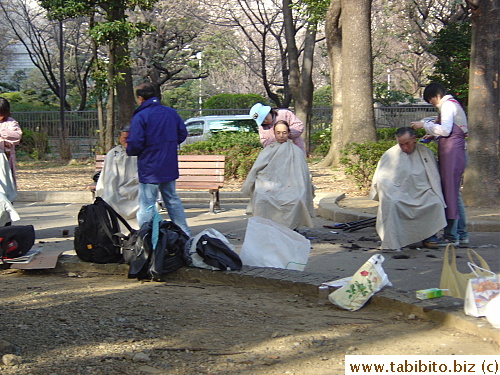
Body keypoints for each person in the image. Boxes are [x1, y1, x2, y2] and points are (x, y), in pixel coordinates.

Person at [126, 82, 191, 237]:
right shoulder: (170, 113)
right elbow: (182, 133)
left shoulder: (141, 116)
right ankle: (184, 233)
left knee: (147, 204)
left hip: (149, 166)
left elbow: (135, 142)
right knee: (172, 199)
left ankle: (146, 236)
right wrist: (168, 146)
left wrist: (132, 151)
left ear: (140, 98)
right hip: (168, 164)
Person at [369, 127, 447, 251]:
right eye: (401, 144)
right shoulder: (390, 154)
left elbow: (433, 176)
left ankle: (430, 236)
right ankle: (396, 239)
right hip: (397, 192)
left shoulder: (425, 153)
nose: (405, 147)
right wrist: (390, 191)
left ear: (414, 139)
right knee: (394, 203)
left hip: (422, 191)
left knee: (435, 202)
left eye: (407, 143)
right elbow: (382, 178)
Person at [411, 83, 468, 247]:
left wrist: (425, 125)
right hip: (454, 152)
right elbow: (446, 131)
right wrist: (432, 135)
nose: (432, 103)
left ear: (435, 96)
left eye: (431, 100)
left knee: (450, 194)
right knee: (454, 195)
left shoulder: (448, 106)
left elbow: (446, 130)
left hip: (453, 153)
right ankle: (462, 234)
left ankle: (451, 236)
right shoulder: (453, 105)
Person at [241, 120, 314, 229]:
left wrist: (300, 187)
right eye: (278, 132)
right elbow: (257, 169)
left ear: (289, 133)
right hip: (269, 185)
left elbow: (302, 175)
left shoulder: (296, 151)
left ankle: (291, 228)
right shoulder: (268, 150)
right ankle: (265, 228)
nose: (281, 135)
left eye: (284, 132)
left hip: (292, 187)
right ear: (274, 133)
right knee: (261, 197)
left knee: (297, 199)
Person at [95, 125, 139, 220]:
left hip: (136, 186)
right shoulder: (113, 153)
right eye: (125, 138)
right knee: (109, 197)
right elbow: (109, 177)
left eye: (130, 138)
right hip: (116, 187)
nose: (127, 141)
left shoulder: (141, 152)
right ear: (120, 139)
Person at [0, 97, 23, 186]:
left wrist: (2, 133)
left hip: (6, 156)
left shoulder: (11, 122)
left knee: (7, 176)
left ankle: (8, 196)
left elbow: (17, 135)